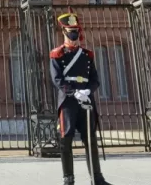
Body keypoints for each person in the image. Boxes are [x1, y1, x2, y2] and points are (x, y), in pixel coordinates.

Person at [50, 10, 112, 185]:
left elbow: (95, 79)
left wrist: (87, 91)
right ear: (64, 32)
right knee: (66, 139)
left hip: (85, 101)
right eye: (70, 33)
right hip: (68, 101)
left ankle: (97, 178)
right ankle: (68, 179)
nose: (74, 36)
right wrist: (73, 92)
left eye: (76, 32)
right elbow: (57, 79)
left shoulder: (87, 55)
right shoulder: (57, 54)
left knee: (90, 139)